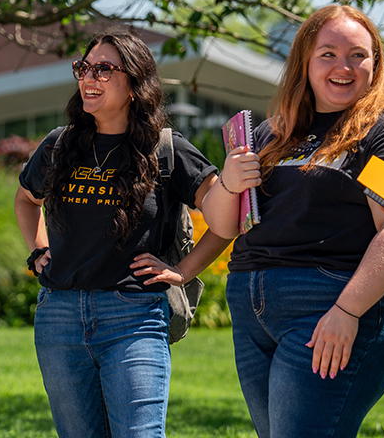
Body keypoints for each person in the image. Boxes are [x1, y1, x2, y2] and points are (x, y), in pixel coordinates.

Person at [199, 5, 384, 437]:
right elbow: (223, 225)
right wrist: (229, 182)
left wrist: (347, 310)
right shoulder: (274, 133)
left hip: (333, 304)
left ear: (376, 63)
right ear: (304, 64)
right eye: (327, 54)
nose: (343, 67)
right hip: (255, 310)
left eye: (358, 55)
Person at [14, 27, 230, 437]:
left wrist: (182, 271)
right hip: (60, 316)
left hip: (133, 316)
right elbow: (26, 199)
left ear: (134, 83)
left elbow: (226, 219)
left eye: (104, 69)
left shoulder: (167, 149)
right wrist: (37, 248)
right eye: (84, 68)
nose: (88, 78)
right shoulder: (60, 145)